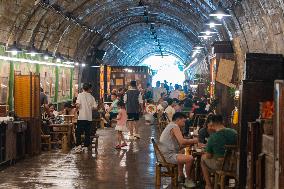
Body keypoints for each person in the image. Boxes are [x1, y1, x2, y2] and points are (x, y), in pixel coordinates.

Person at [159, 112, 198, 187]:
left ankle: (180, 175)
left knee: (182, 151)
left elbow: (181, 144)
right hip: (167, 156)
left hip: (164, 154)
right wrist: (195, 140)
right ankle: (188, 180)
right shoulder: (174, 126)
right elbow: (182, 141)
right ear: (178, 119)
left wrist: (190, 142)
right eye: (183, 121)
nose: (184, 123)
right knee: (190, 158)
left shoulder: (170, 125)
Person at [201, 115, 237, 189]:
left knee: (202, 159)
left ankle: (208, 185)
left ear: (212, 123)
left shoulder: (213, 137)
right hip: (235, 164)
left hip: (221, 165)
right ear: (222, 122)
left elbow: (208, 156)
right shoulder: (234, 132)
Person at [74, 83, 97, 153]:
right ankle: (86, 147)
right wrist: (89, 107)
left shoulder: (80, 95)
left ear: (83, 88)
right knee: (87, 133)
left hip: (81, 117)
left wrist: (76, 110)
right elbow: (95, 107)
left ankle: (79, 146)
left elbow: (78, 105)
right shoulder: (92, 97)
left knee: (78, 133)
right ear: (90, 89)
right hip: (89, 118)